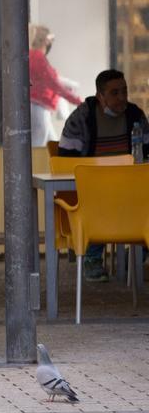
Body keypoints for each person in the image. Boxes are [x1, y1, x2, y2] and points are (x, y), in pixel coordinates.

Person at [59, 69, 149, 280]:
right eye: (114, 93)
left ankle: (137, 254)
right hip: (94, 189)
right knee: (97, 197)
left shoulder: (135, 115)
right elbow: (65, 158)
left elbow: (147, 153)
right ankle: (92, 258)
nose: (122, 98)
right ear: (100, 96)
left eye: (124, 91)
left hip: (130, 186)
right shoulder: (83, 117)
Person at [28, 25, 81, 146]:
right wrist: (76, 100)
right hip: (39, 108)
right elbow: (53, 84)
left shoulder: (29, 57)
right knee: (39, 147)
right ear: (45, 43)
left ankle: (59, 164)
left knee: (52, 146)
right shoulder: (37, 57)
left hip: (36, 107)